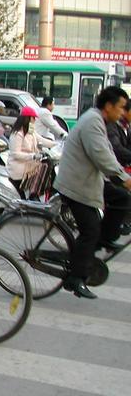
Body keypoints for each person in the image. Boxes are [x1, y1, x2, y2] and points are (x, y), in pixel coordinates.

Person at [54, 86, 131, 299]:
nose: (123, 113)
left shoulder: (101, 121)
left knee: (122, 198)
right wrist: (125, 179)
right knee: (90, 230)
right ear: (109, 106)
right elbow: (101, 156)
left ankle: (103, 240)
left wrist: (122, 178)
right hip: (75, 184)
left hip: (89, 180)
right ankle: (75, 279)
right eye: (122, 108)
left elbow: (108, 153)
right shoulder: (92, 122)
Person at [7, 107, 55, 196]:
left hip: (30, 165)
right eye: (33, 118)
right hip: (19, 167)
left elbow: (41, 140)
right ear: (27, 119)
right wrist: (32, 156)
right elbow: (15, 154)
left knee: (48, 164)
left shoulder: (30, 131)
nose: (35, 120)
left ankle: (37, 195)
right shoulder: (17, 134)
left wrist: (55, 144)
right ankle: (33, 195)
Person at [106, 98, 131, 166]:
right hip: (113, 168)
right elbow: (116, 148)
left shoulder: (127, 127)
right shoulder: (112, 125)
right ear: (125, 112)